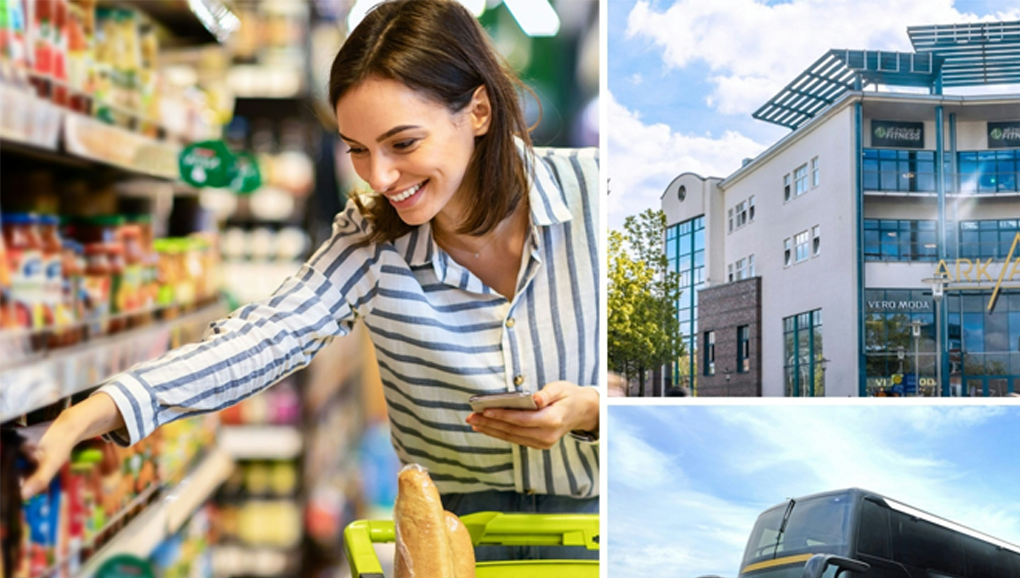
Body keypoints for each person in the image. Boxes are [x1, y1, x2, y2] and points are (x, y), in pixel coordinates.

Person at [20, 0, 600, 516]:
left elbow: (681, 381)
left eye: (403, 143)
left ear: (477, 112)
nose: (381, 176)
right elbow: (267, 337)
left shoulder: (601, 196)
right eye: (358, 150)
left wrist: (594, 412)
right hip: (450, 540)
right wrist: (86, 415)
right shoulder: (372, 238)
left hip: (607, 523)